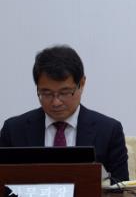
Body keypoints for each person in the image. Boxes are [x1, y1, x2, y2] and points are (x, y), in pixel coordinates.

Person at [0, 45, 129, 182]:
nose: (56, 102)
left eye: (65, 92)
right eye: (46, 93)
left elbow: (120, 188)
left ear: (82, 83)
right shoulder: (14, 130)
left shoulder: (109, 131)